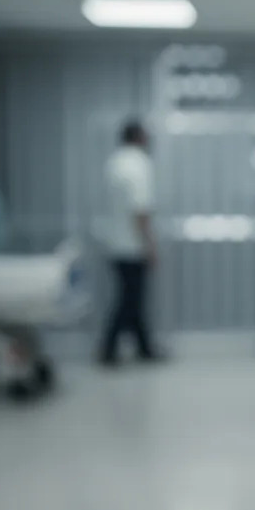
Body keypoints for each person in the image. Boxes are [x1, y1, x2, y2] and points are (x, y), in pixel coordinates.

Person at [99, 119, 161, 366]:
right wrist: (150, 245)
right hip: (133, 245)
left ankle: (145, 349)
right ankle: (108, 349)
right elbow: (140, 210)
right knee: (130, 300)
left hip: (114, 242)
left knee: (132, 298)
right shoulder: (139, 164)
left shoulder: (113, 163)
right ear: (138, 137)